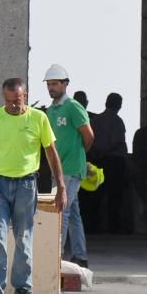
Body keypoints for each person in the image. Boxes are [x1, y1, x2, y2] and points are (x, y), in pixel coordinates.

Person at [0, 78, 66, 294]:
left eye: (17, 101)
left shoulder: (38, 119)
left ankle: (23, 290)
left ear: (26, 96)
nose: (13, 106)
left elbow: (51, 153)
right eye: (8, 101)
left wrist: (60, 187)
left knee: (23, 238)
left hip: (25, 185)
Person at [43, 64, 94, 269]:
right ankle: (80, 256)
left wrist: (79, 155)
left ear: (65, 84)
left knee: (61, 210)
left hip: (72, 169)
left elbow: (88, 135)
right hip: (59, 169)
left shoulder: (73, 107)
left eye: (55, 83)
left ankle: (57, 257)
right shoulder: (50, 111)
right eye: (49, 84)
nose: (51, 87)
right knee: (72, 213)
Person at [89, 92, 130, 233]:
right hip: (114, 162)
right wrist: (105, 152)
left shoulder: (95, 120)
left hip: (96, 161)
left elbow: (89, 141)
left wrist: (97, 153)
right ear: (119, 105)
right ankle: (114, 227)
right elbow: (117, 142)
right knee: (114, 196)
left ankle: (93, 226)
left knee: (96, 196)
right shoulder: (118, 122)